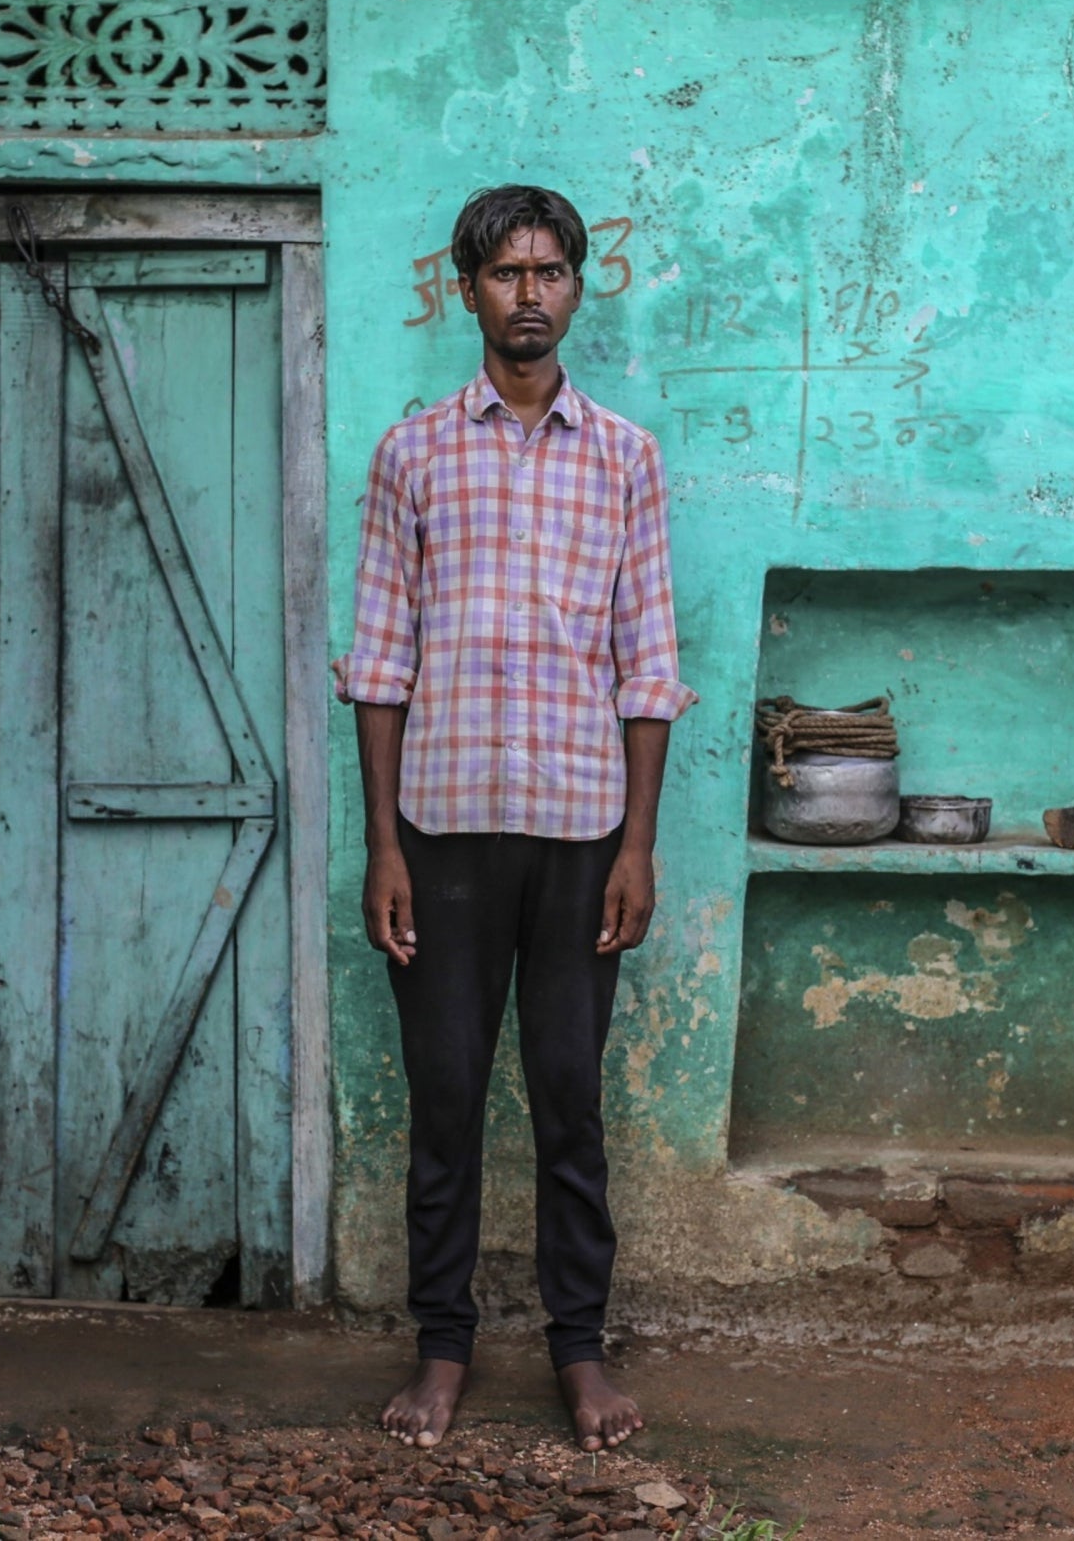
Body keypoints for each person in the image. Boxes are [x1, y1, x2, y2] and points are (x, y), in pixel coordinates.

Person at [334, 185, 696, 1453]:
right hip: (440, 832)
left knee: (565, 1100)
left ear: (576, 289)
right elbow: (379, 664)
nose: (528, 293)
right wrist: (384, 844)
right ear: (467, 291)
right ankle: (441, 1350)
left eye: (549, 272)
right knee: (443, 1101)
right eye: (504, 274)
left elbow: (646, 663)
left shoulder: (626, 459)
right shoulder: (414, 452)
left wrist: (636, 846)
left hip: (580, 832)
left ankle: (580, 1353)